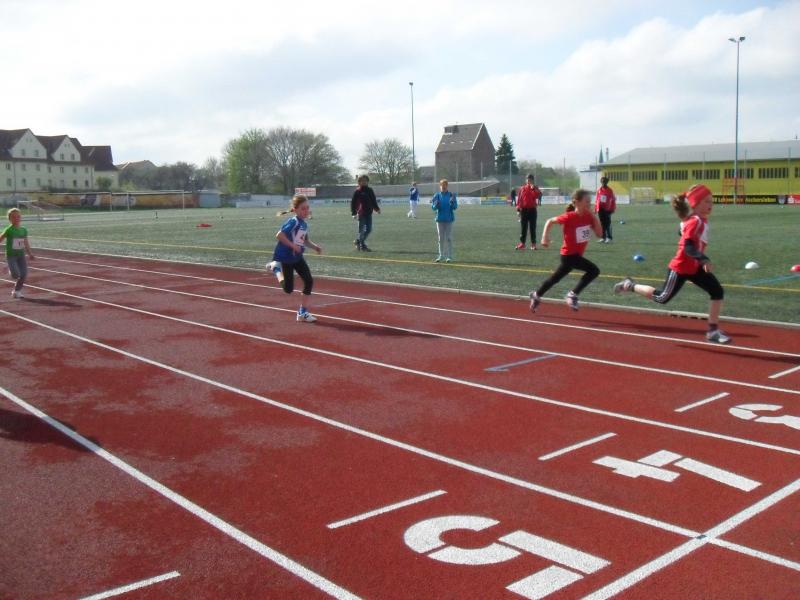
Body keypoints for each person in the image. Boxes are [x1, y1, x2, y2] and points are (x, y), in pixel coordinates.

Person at [613, 184, 731, 344]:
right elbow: (688, 246)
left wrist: (687, 235)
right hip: (681, 268)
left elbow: (682, 231)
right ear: (695, 204)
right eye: (706, 201)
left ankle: (712, 331)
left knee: (717, 291)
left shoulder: (698, 220)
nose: (711, 205)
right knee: (662, 298)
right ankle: (629, 285)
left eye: (711, 201)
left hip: (695, 267)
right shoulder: (695, 221)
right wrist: (703, 259)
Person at [529, 189, 602, 312]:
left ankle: (536, 295)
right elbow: (550, 221)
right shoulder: (569, 216)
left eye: (590, 201)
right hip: (569, 255)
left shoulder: (589, 216)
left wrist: (594, 217)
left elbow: (599, 234)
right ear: (576, 202)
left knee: (555, 278)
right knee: (594, 271)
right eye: (587, 201)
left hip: (576, 255)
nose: (589, 204)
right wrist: (544, 237)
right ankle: (572, 294)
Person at [266, 195, 322, 322]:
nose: (306, 211)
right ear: (295, 210)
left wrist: (315, 247)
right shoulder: (294, 221)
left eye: (307, 208)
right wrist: (293, 246)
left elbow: (305, 241)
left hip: (297, 257)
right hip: (286, 257)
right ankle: (276, 269)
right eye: (303, 208)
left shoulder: (304, 224)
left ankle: (302, 312)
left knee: (308, 281)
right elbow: (279, 235)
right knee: (288, 289)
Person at [1, 208, 35, 298]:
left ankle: (16, 291)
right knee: (16, 274)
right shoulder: (9, 230)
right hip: (11, 256)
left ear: (21, 218)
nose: (16, 218)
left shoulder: (23, 230)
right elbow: (1, 238)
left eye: (18, 216)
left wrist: (30, 253)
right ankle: (10, 268)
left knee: (24, 274)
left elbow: (26, 242)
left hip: (21, 255)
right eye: (13, 217)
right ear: (9, 219)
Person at [350, 175, 380, 251]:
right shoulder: (357, 191)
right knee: (361, 230)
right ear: (359, 182)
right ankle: (362, 246)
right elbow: (353, 203)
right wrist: (353, 213)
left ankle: (358, 241)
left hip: (369, 213)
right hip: (361, 213)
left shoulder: (370, 190)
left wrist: (377, 209)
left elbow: (373, 200)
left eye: (365, 181)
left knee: (369, 229)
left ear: (367, 182)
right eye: (362, 181)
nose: (364, 182)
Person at [431, 179, 457, 263]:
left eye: (445, 185)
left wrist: (452, 203)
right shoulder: (437, 195)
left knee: (449, 238)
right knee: (440, 239)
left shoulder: (451, 195)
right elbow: (433, 207)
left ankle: (449, 256)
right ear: (440, 186)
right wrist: (436, 205)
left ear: (447, 186)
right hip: (439, 219)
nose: (443, 186)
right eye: (442, 185)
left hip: (449, 219)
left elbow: (455, 207)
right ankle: (441, 255)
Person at [516, 174, 542, 250]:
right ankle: (522, 244)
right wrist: (518, 209)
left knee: (532, 228)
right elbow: (519, 200)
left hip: (532, 210)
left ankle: (533, 244)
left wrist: (533, 189)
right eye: (527, 179)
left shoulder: (535, 188)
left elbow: (538, 195)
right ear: (526, 180)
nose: (528, 181)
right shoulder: (522, 188)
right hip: (524, 210)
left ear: (533, 180)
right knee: (523, 228)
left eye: (530, 179)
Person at [595, 176, 617, 243]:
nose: (603, 183)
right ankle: (603, 237)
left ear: (607, 182)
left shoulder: (610, 190)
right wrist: (595, 208)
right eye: (602, 182)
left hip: (607, 209)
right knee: (602, 223)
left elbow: (613, 200)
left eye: (604, 182)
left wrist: (613, 208)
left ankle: (609, 237)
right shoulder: (599, 190)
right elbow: (597, 200)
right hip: (600, 209)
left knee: (608, 223)